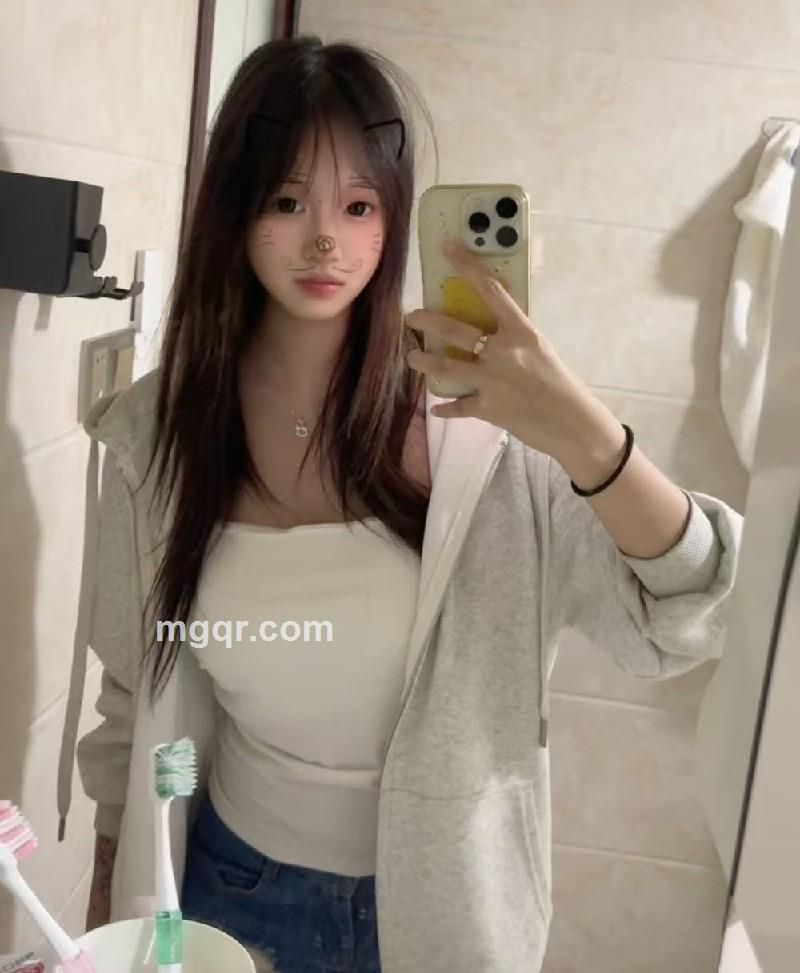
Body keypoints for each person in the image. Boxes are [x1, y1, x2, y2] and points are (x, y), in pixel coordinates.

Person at [57, 35, 743, 973]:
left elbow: (685, 619)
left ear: (395, 219)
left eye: (359, 206)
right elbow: (131, 697)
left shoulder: (489, 430)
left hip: (444, 918)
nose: (325, 240)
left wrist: (587, 435)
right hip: (228, 897)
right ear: (235, 211)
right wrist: (106, 907)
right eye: (288, 201)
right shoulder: (155, 436)